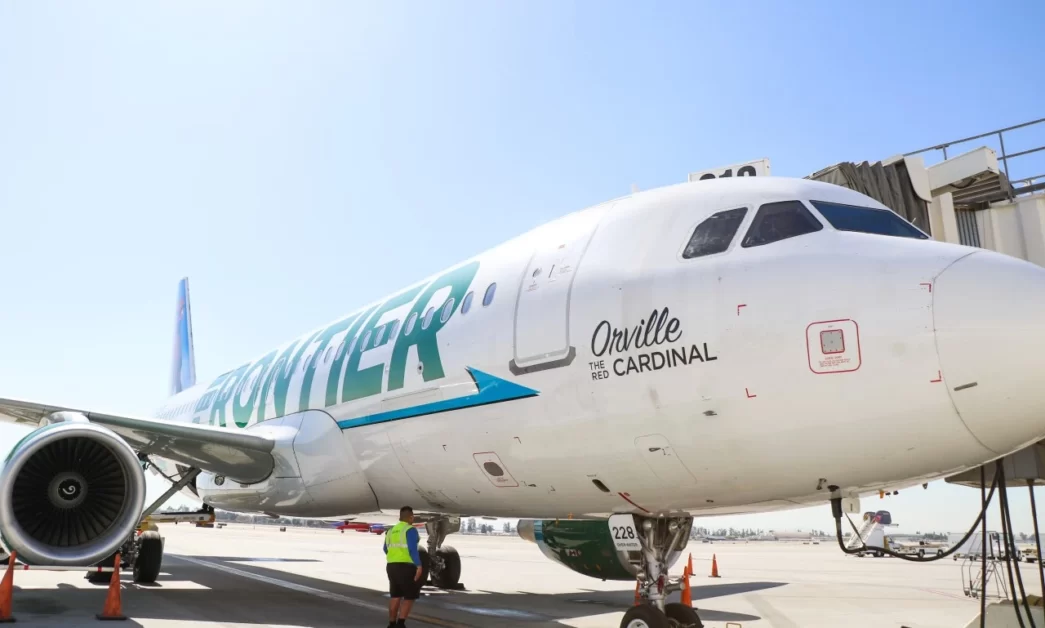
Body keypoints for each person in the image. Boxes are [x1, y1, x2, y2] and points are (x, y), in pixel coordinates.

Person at [384, 506, 423, 628]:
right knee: (410, 596)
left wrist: (395, 557)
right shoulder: (410, 530)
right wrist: (419, 565)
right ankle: (401, 624)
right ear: (411, 517)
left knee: (395, 596)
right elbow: (412, 550)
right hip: (406, 567)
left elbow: (385, 549)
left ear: (400, 517)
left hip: (391, 566)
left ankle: (391, 624)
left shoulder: (391, 531)